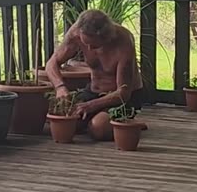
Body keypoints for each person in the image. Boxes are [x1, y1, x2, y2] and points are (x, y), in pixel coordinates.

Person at [45, 9, 145, 141]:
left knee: (99, 129)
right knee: (64, 119)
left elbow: (123, 93)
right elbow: (51, 63)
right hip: (93, 91)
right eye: (85, 43)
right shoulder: (76, 32)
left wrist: (90, 106)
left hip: (122, 97)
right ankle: (107, 121)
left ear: (105, 37)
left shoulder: (123, 41)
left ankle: (125, 123)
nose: (89, 49)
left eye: (93, 44)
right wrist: (60, 87)